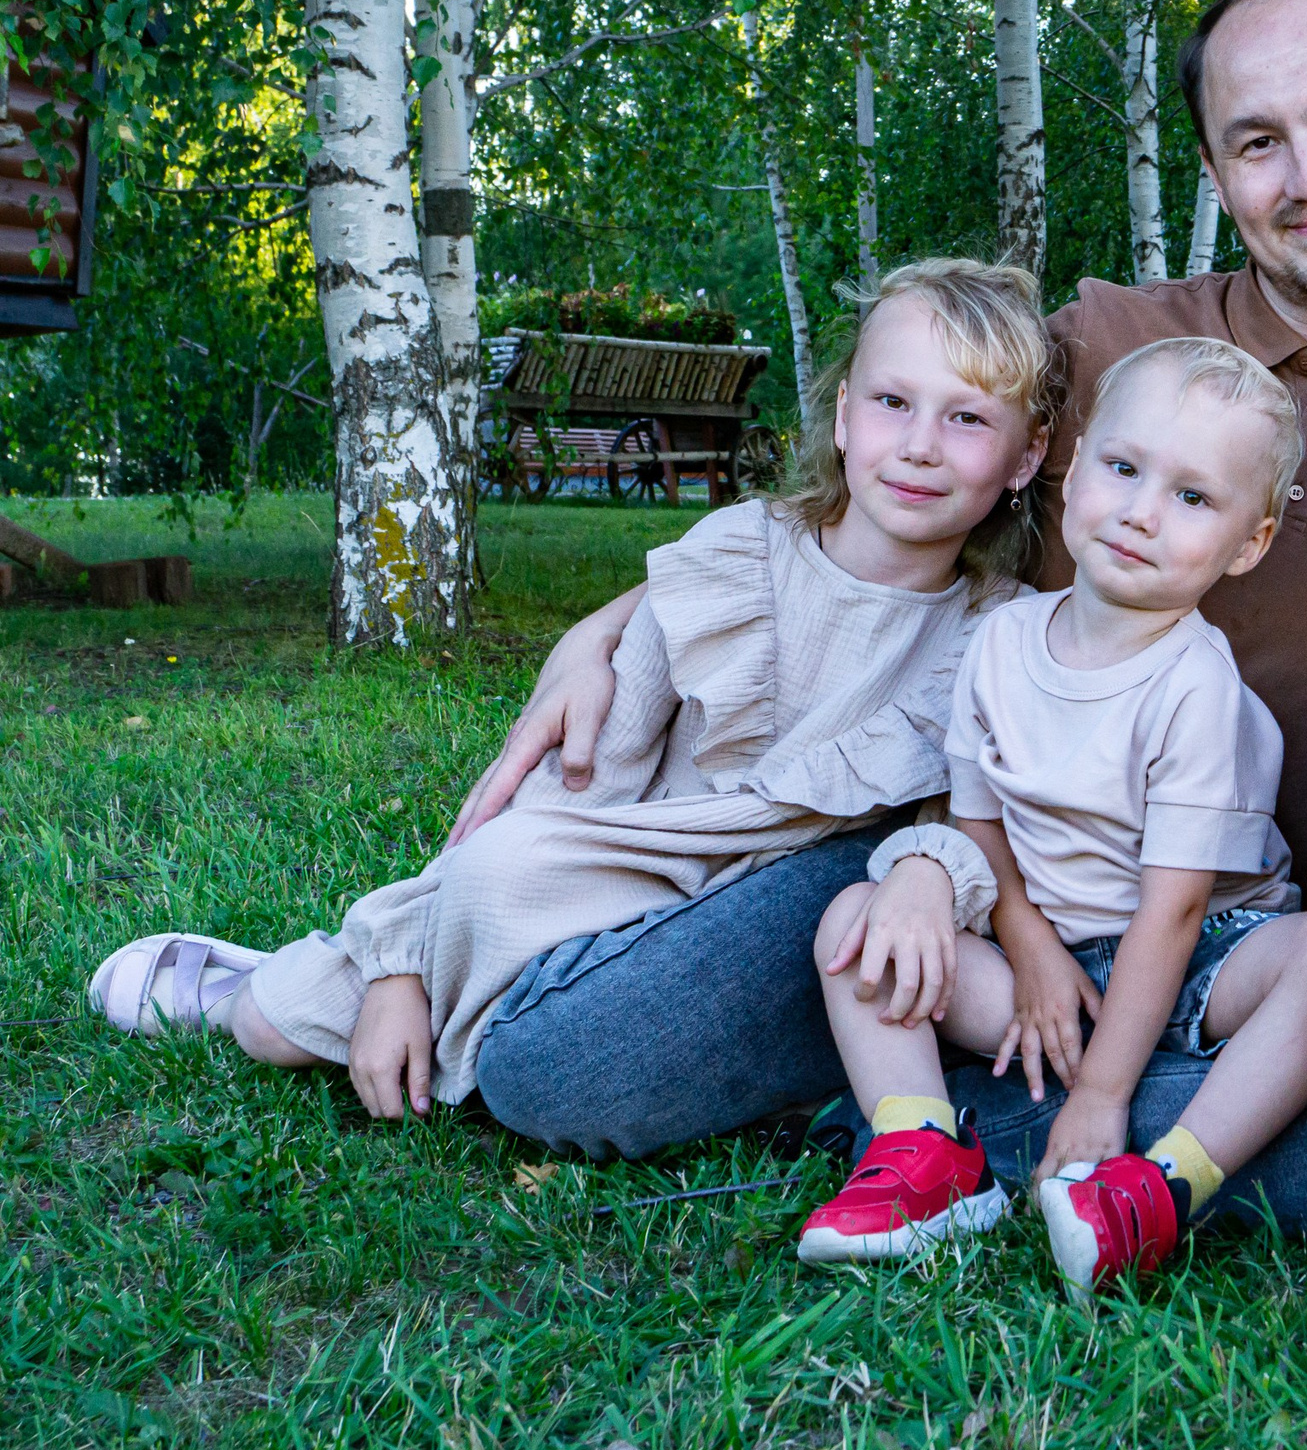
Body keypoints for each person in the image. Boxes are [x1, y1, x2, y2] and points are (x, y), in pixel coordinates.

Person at [443, 0, 1307, 1173]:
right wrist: (625, 612)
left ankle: (972, 1115)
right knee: (560, 1066)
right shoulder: (1108, 344)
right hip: (973, 863)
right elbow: (899, 452)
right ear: (1214, 171)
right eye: (1258, 141)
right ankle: (1092, 1115)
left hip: (1245, 928)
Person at [84, 260, 1056, 1123]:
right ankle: (308, 975)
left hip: (775, 926)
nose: (922, 444)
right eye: (894, 402)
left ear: (1025, 456)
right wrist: (404, 956)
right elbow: (586, 764)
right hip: (635, 867)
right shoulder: (740, 555)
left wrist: (931, 870)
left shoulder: (998, 631)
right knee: (424, 922)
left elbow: (965, 815)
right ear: (844, 416)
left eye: (967, 418)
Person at [793, 338, 1307, 1288]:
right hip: (1044, 965)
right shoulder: (1000, 643)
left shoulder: (1193, 687)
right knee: (852, 926)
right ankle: (924, 1149)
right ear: (1075, 467)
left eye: (1193, 497)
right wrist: (1034, 950)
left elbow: (1172, 910)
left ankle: (1162, 1182)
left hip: (1208, 948)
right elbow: (981, 829)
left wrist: (1101, 1094)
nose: (1140, 512)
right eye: (1124, 469)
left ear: (1249, 542)